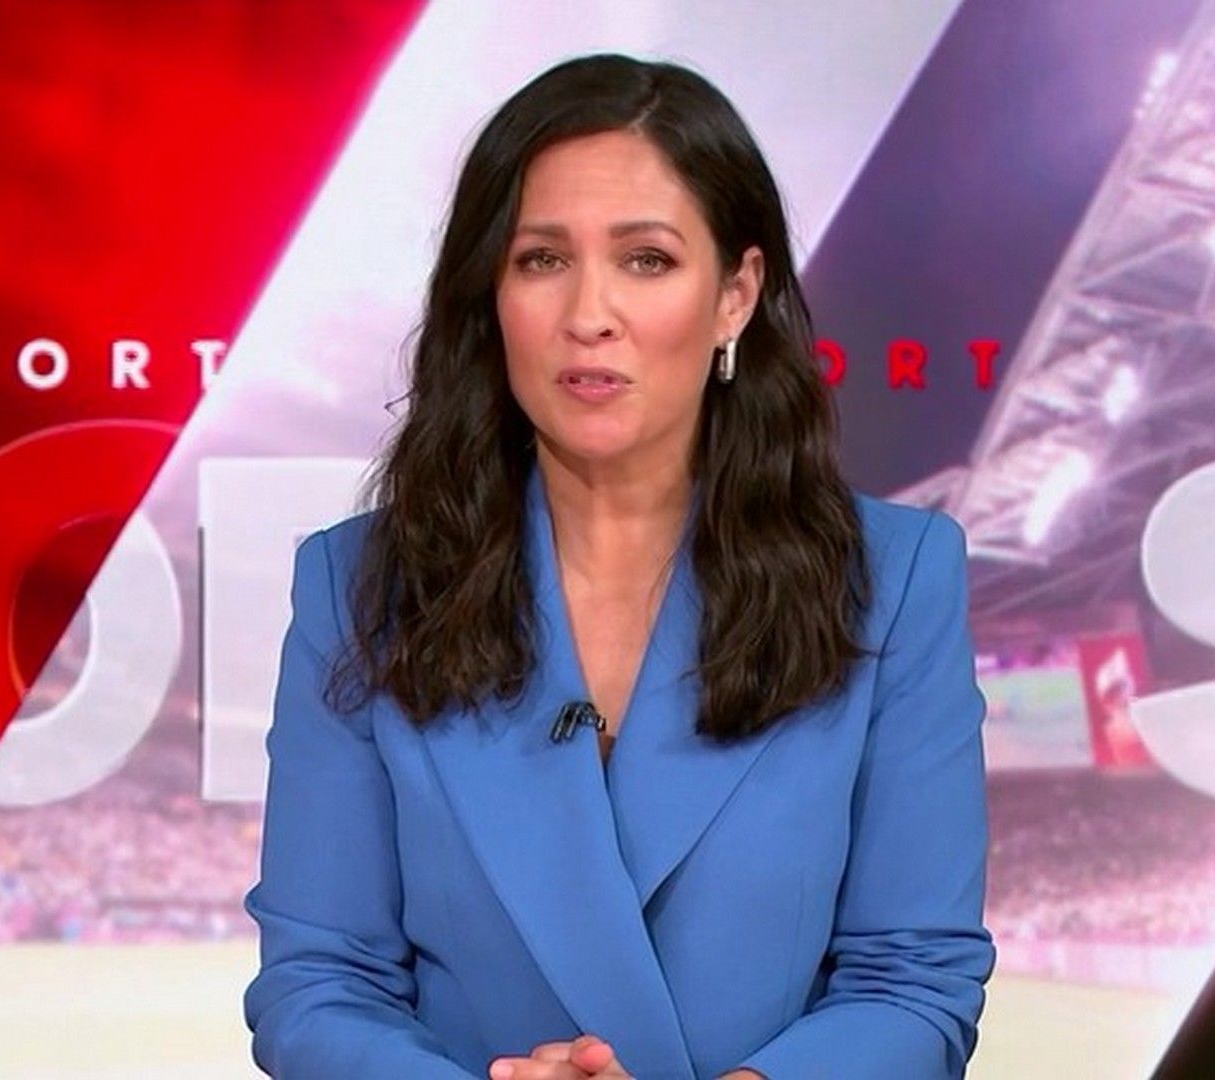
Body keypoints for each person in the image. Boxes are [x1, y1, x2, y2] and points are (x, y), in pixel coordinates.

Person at [242, 52, 994, 1079]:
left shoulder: (895, 581)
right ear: (490, 294)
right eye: (541, 259)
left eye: (646, 260)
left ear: (735, 295)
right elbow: (318, 987)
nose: (588, 314)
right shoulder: (360, 587)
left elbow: (914, 982)